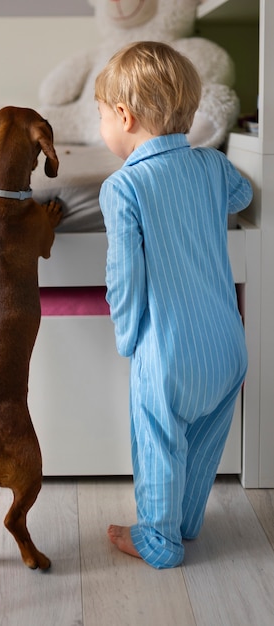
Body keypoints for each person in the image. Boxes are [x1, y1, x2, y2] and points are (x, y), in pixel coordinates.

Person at [95, 41, 253, 569]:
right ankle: (186, 523)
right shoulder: (210, 164)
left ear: (124, 115)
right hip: (228, 344)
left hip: (169, 349)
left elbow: (124, 275)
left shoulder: (123, 186)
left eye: (101, 115)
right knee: (204, 442)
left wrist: (127, 336)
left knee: (159, 444)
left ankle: (159, 540)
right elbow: (243, 197)